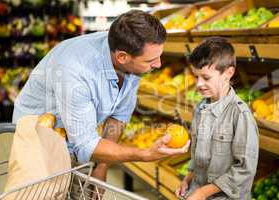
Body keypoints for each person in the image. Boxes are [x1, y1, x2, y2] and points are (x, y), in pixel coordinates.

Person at [12, 10, 190, 183]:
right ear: (122, 57)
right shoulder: (77, 72)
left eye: (159, 57)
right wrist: (145, 154)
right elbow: (86, 144)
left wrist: (101, 167)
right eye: (150, 61)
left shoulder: (130, 58)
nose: (158, 65)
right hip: (37, 140)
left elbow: (118, 116)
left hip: (75, 138)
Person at [175, 37, 259, 200]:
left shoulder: (240, 115)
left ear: (228, 73)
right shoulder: (200, 108)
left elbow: (244, 169)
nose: (199, 84)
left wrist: (203, 192)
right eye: (196, 77)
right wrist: (187, 180)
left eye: (206, 78)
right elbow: (198, 156)